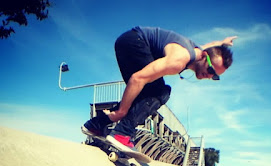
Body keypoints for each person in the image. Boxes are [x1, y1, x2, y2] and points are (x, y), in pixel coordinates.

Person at [81, 26, 237, 150]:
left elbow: (208, 47)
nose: (209, 76)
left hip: (130, 40)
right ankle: (122, 134)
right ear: (203, 57)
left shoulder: (200, 52)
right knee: (160, 92)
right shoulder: (179, 60)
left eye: (215, 76)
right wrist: (121, 111)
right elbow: (137, 78)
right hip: (134, 42)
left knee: (143, 96)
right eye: (210, 70)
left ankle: (96, 125)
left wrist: (222, 43)